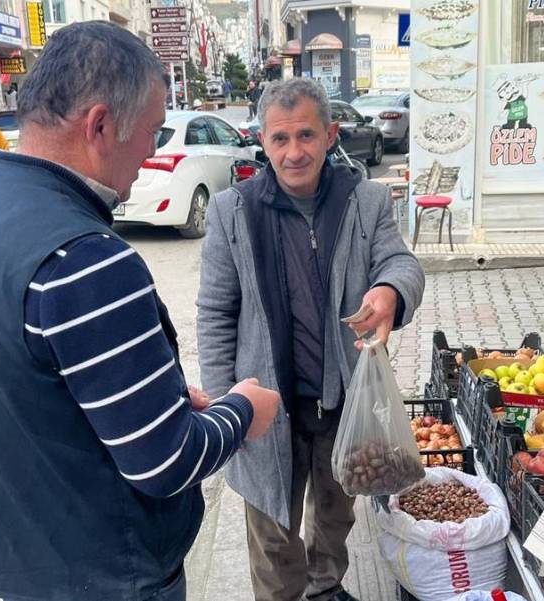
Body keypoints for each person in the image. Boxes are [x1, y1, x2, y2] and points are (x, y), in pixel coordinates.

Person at [0, 21, 280, 601]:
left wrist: (145, 403)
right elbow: (166, 464)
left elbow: (21, 389)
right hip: (107, 573)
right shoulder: (85, 259)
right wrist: (242, 412)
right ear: (101, 125)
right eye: (152, 132)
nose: (152, 151)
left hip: (21, 561)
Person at [196, 77, 425, 601]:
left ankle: (325, 587)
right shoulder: (233, 212)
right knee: (272, 529)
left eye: (306, 136)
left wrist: (390, 290)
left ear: (330, 135)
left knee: (335, 509)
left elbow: (399, 261)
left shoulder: (365, 201)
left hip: (342, 402)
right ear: (262, 139)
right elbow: (214, 312)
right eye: (280, 139)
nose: (294, 152)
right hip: (265, 408)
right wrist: (223, 403)